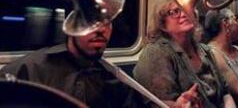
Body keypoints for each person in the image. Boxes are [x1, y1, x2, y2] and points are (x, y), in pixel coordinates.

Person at [0, 22, 146, 107]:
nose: (102, 29)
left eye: (107, 21)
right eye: (90, 21)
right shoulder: (29, 70)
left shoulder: (116, 82)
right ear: (70, 25)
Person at [133, 0, 236, 108]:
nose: (184, 14)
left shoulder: (204, 49)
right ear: (163, 23)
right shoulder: (155, 53)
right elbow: (158, 104)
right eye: (175, 11)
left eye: (186, 8)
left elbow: (225, 92)